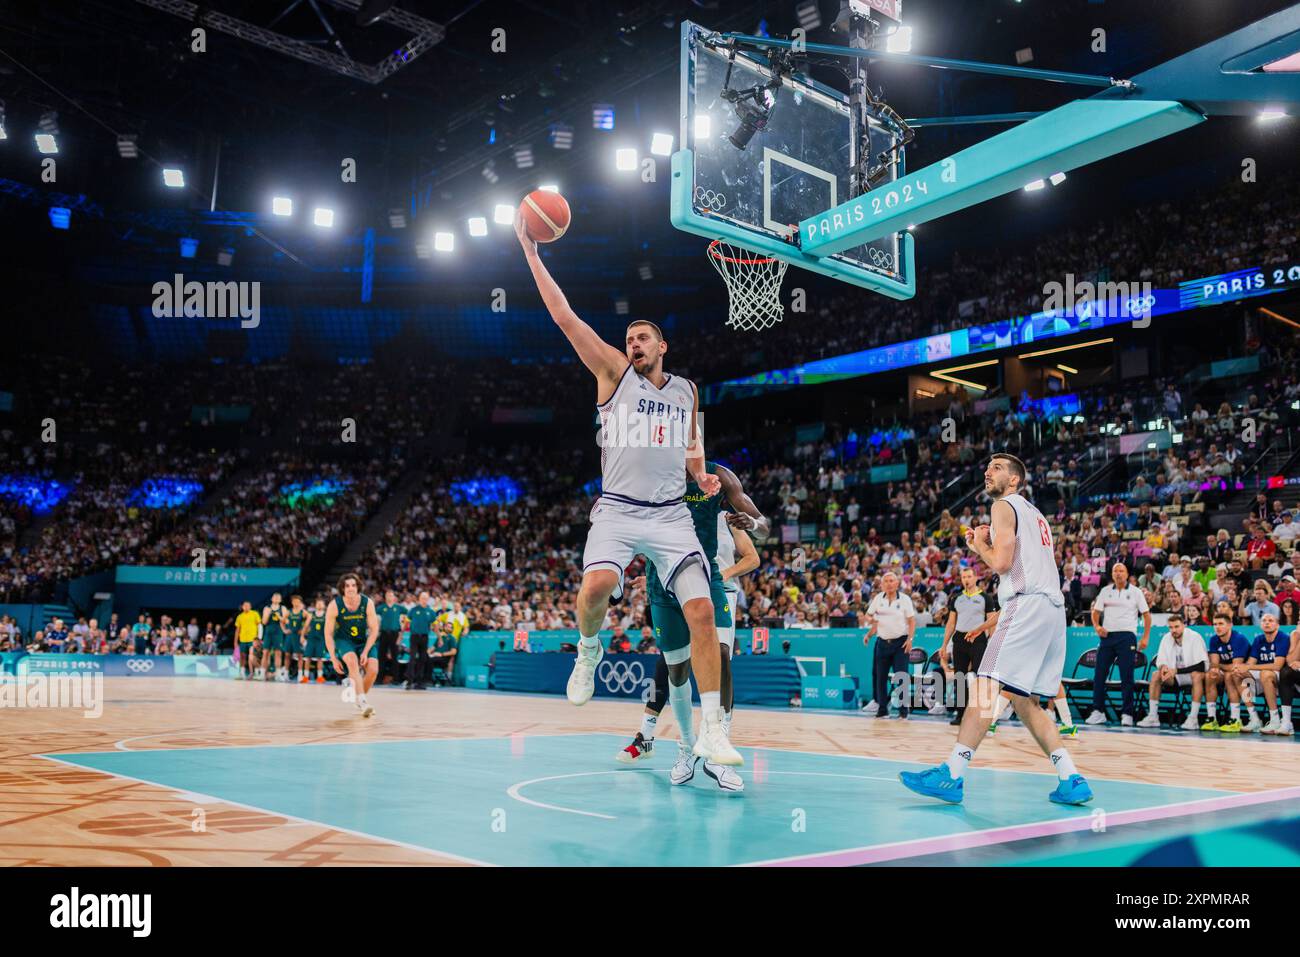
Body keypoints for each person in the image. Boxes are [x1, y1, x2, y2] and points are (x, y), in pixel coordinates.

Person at [515, 211, 739, 766]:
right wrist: (532, 254)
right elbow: (566, 318)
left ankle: (713, 730)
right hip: (617, 510)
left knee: (704, 613)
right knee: (594, 590)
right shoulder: (615, 374)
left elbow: (691, 445)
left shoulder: (686, 390)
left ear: (663, 345)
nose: (633, 343)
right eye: (629, 338)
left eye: (642, 337)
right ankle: (588, 651)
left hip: (669, 516)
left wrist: (701, 475)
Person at [900, 453, 1092, 806]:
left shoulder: (1004, 506)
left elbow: (1001, 563)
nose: (988, 471)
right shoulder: (1036, 515)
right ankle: (1071, 777)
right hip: (1053, 611)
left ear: (1015, 480)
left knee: (985, 687)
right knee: (1026, 701)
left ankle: (952, 774)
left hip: (1026, 605)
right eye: (987, 467)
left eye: (997, 467)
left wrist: (979, 546)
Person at [615, 462, 767, 792]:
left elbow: (762, 530)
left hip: (710, 579)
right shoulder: (648, 478)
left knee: (722, 658)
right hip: (663, 584)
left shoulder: (718, 482)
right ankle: (686, 747)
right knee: (675, 671)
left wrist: (752, 522)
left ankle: (717, 750)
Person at [1084, 563, 1151, 727]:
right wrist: (1097, 627)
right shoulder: (1105, 591)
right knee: (1099, 674)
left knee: (1126, 676)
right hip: (1107, 637)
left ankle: (1127, 714)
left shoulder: (1136, 592)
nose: (1118, 573)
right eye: (1115, 571)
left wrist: (1145, 638)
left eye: (1122, 570)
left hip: (1127, 636)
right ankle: (1098, 712)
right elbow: (1095, 612)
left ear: (1127, 574)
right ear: (1112, 575)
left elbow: (1147, 616)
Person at [938, 566, 998, 726]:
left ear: (975, 577)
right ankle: (960, 713)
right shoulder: (956, 598)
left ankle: (980, 714)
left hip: (978, 641)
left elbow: (992, 622)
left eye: (969, 576)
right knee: (960, 677)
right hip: (959, 641)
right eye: (963, 577)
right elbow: (951, 623)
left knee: (980, 678)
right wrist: (944, 645)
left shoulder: (986, 598)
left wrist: (991, 643)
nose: (966, 579)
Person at [1137, 614, 1207, 730]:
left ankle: (1193, 718)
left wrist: (1177, 670)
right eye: (1171, 627)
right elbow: (1161, 660)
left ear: (1184, 625)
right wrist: (1163, 667)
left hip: (1192, 675)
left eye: (1176, 626)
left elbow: (1202, 665)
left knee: (1197, 675)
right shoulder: (1166, 638)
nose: (1173, 630)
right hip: (1175, 677)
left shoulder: (1195, 637)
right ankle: (1153, 716)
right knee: (1156, 675)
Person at [324, 573, 379, 717]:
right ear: (342, 588)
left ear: (358, 587)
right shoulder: (334, 605)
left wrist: (366, 651)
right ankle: (363, 701)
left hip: (362, 640)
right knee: (352, 661)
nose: (350, 588)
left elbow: (374, 630)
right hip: (344, 641)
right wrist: (333, 658)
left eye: (353, 585)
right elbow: (328, 634)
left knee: (373, 669)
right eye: (347, 586)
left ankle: (358, 696)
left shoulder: (367, 603)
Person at [863, 572, 916, 719]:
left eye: (891, 580)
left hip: (900, 643)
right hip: (882, 643)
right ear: (882, 585)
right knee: (880, 677)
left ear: (897, 583)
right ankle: (882, 709)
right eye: (885, 581)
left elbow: (912, 621)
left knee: (901, 677)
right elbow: (871, 618)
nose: (889, 583)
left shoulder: (905, 599)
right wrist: (869, 634)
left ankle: (903, 711)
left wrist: (910, 639)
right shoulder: (878, 599)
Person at [1236, 613, 1290, 734]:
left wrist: (1249, 666)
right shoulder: (1259, 639)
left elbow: (1277, 666)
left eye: (1271, 620)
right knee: (1239, 675)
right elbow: (1250, 663)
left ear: (1277, 625)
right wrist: (1242, 668)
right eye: (1264, 620)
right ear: (1260, 625)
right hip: (1263, 677)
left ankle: (1275, 719)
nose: (1267, 623)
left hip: (1281, 679)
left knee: (1265, 674)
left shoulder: (1283, 637)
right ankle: (1254, 718)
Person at [1201, 612, 1251, 732]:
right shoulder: (1214, 639)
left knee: (1230, 675)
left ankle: (1235, 719)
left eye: (1221, 624)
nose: (1217, 627)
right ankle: (1212, 718)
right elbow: (1214, 664)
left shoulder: (1239, 638)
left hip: (1246, 675)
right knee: (1210, 676)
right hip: (1226, 670)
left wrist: (1219, 666)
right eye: (1215, 624)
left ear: (1230, 625)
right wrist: (1215, 669)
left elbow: (1236, 666)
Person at [405, 591, 436, 690]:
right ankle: (409, 682)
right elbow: (406, 623)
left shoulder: (430, 611)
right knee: (412, 658)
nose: (424, 600)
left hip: (424, 637)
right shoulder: (413, 610)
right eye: (422, 598)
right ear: (419, 599)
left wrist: (440, 638)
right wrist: (400, 635)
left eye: (426, 598)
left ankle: (419, 682)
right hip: (414, 637)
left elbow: (435, 626)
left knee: (422, 659)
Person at [300, 597, 328, 683]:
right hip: (311, 639)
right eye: (318, 603)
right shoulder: (311, 614)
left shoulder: (326, 615)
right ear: (315, 605)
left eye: (321, 603)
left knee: (320, 658)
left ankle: (320, 677)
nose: (319, 605)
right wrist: (302, 636)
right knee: (307, 658)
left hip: (321, 639)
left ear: (324, 605)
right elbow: (305, 626)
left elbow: (329, 628)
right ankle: (305, 676)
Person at [234, 601, 261, 680]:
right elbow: (237, 630)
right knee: (242, 656)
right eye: (245, 605)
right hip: (243, 640)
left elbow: (259, 626)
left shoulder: (255, 614)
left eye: (248, 605)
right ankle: (242, 673)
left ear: (250, 606)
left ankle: (256, 673)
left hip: (253, 640)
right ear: (242, 607)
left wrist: (259, 638)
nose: (246, 607)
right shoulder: (239, 617)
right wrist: (235, 642)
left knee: (253, 657)